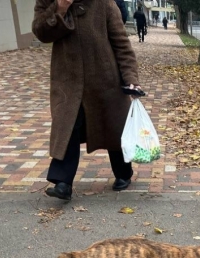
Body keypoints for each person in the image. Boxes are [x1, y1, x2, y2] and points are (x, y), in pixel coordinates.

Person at [33, 0, 141, 201]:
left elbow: (121, 43)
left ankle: (123, 173)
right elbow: (41, 33)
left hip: (104, 79)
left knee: (112, 126)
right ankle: (62, 182)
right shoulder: (47, 1)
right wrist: (60, 9)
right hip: (67, 80)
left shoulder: (104, 3)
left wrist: (131, 79)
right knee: (68, 126)